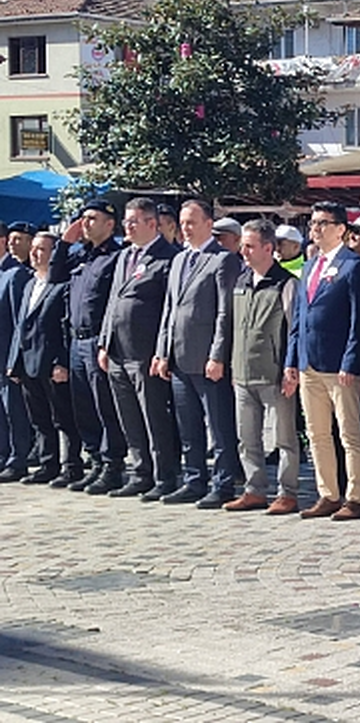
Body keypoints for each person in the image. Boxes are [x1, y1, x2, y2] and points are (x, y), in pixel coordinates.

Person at [153, 199, 243, 508]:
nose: (186, 228)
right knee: (188, 425)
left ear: (209, 224)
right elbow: (169, 308)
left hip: (207, 359)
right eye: (183, 222)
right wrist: (162, 351)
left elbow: (224, 312)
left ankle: (224, 482)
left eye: (192, 222)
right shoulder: (179, 260)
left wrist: (218, 355)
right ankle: (194, 480)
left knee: (218, 426)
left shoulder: (222, 259)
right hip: (179, 357)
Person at [285, 201, 360, 521]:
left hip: (339, 365)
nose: (315, 229)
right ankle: (328, 493)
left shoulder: (354, 266)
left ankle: (355, 496)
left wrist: (352, 362)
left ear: (340, 229)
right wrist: (292, 359)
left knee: (348, 433)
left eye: (322, 223)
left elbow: (357, 320)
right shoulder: (310, 265)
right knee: (317, 433)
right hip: (309, 363)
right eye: (313, 223)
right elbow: (299, 317)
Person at [96, 197, 181, 499]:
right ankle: (140, 471)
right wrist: (104, 342)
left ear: (151, 223)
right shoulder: (124, 257)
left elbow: (169, 311)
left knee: (154, 416)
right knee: (129, 416)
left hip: (145, 353)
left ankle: (165, 476)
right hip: (118, 351)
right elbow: (113, 302)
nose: (127, 227)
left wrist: (162, 351)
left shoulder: (168, 258)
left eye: (133, 222)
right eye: (126, 222)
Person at [224, 220, 301, 514]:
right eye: (243, 245)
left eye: (250, 246)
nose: (243, 251)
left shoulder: (286, 283)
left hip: (275, 374)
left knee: (284, 438)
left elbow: (295, 329)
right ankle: (254, 489)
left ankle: (287, 492)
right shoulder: (241, 281)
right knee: (247, 438)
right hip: (242, 373)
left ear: (268, 248)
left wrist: (290, 367)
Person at [54, 201, 127, 492]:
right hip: (76, 339)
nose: (85, 223)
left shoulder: (115, 257)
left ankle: (113, 465)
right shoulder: (80, 254)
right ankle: (95, 460)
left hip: (99, 339)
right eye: (83, 218)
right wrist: (64, 243)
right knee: (83, 406)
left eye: (92, 218)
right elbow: (57, 277)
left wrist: (107, 343)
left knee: (105, 406)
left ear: (110, 224)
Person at [7, 232, 80, 485]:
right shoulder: (29, 284)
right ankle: (48, 464)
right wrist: (13, 362)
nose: (37, 254)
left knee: (62, 417)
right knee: (39, 418)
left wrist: (62, 362)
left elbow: (64, 327)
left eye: (43, 249)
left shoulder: (61, 285)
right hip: (28, 362)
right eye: (35, 249)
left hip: (51, 361)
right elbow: (21, 326)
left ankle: (71, 466)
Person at [0, 222, 33, 483]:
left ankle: (17, 458)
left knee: (15, 410)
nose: (12, 243)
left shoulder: (16, 273)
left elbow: (17, 321)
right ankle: (4, 454)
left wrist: (15, 359)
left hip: (7, 355)